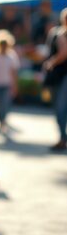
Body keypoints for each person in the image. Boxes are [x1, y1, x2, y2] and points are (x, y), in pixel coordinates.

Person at [43, 8, 67, 151]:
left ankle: (63, 138)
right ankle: (62, 137)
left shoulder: (59, 34)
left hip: (63, 75)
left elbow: (64, 53)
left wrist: (52, 62)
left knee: (60, 107)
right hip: (57, 76)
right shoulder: (56, 32)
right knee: (59, 108)